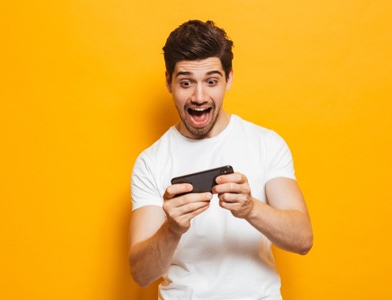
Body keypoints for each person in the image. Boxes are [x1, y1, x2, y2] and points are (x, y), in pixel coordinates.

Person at [129, 20, 313, 299]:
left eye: (211, 81)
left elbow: (303, 240)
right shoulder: (150, 162)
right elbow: (141, 274)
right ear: (169, 82)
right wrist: (172, 229)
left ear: (229, 79)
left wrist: (251, 208)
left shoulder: (266, 143)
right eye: (186, 82)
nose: (199, 96)